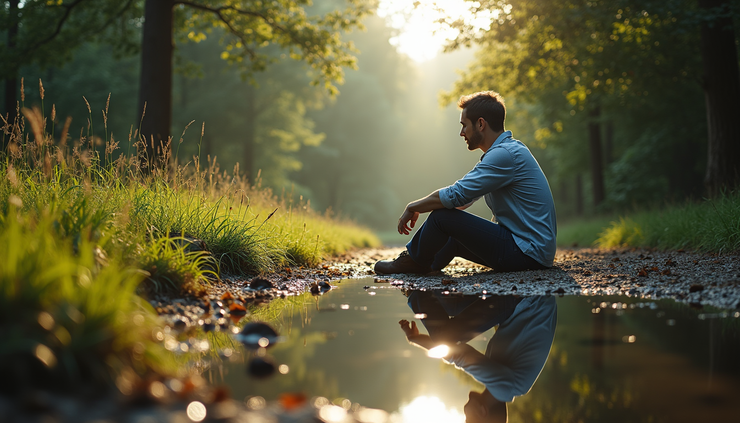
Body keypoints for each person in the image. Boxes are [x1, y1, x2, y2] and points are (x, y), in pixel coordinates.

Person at [374, 91, 556, 275]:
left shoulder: (505, 155)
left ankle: (413, 263)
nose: (461, 132)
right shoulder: (506, 152)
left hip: (527, 252)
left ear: (480, 124)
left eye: (464, 125)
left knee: (441, 218)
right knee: (452, 233)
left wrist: (413, 207)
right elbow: (464, 200)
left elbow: (456, 195)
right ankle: (426, 266)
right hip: (530, 251)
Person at [399, 292, 557, 423]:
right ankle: (415, 291)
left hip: (523, 304)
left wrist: (417, 340)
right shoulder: (505, 388)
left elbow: (456, 352)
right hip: (528, 300)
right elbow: (459, 355)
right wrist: (423, 341)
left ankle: (423, 285)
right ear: (483, 412)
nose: (464, 413)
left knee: (448, 305)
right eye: (468, 419)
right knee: (443, 337)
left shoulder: (508, 387)